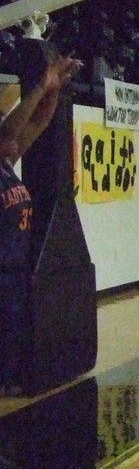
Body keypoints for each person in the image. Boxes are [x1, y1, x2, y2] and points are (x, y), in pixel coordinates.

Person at [0, 54, 81, 394]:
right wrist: (40, 86)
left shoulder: (8, 164)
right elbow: (10, 130)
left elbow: (39, 124)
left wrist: (54, 92)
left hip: (15, 274)